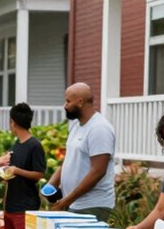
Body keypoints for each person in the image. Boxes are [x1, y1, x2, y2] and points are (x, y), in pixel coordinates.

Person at [47, 83, 116, 222]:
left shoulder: (99, 128)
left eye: (68, 101)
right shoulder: (76, 125)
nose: (65, 105)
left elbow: (98, 171)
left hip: (93, 206)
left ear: (80, 102)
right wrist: (51, 184)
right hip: (75, 204)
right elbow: (69, 160)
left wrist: (65, 201)